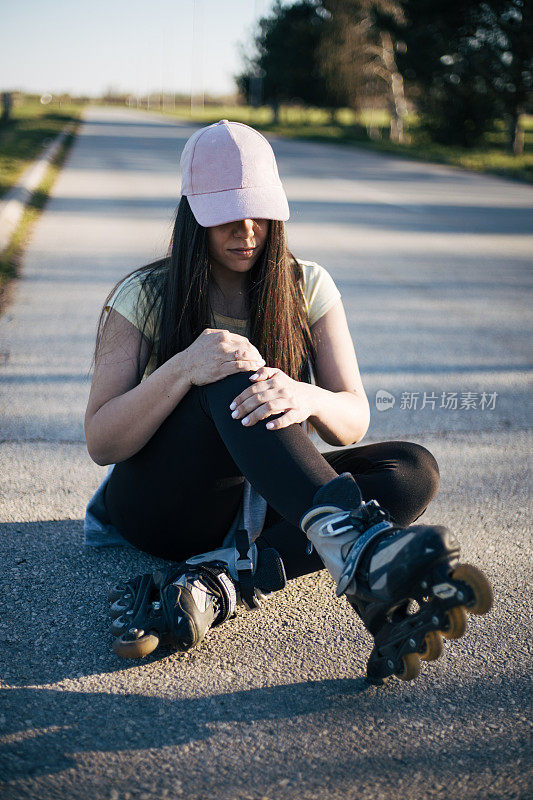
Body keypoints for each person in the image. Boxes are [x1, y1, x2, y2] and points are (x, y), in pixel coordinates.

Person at [84, 120, 492, 684]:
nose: (246, 230)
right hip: (164, 509)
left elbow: (350, 421)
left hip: (266, 503)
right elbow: (102, 442)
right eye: (225, 213)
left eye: (258, 211)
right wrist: (185, 367)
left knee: (410, 472)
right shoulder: (146, 295)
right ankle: (364, 555)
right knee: (229, 366)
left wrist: (303, 394)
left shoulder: (308, 286)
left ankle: (222, 582)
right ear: (192, 213)